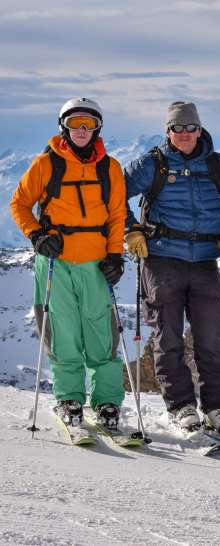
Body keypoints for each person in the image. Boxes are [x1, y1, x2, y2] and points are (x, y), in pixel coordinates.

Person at [124, 101, 220, 436]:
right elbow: (114, 192)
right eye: (177, 128)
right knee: (169, 338)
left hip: (205, 260)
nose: (184, 134)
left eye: (189, 127)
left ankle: (218, 409)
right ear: (168, 131)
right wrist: (131, 229)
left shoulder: (216, 164)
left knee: (212, 339)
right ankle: (181, 407)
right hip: (162, 258)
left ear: (199, 129)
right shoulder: (153, 164)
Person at [10, 97, 127, 430]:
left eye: (89, 124)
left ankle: (106, 402)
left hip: (95, 262)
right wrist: (37, 235)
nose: (82, 130)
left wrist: (115, 255)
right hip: (55, 262)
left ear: (98, 128)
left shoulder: (111, 168)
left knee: (101, 335)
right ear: (63, 126)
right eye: (76, 123)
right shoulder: (45, 164)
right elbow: (19, 204)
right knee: (63, 333)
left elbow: (117, 215)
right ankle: (69, 399)